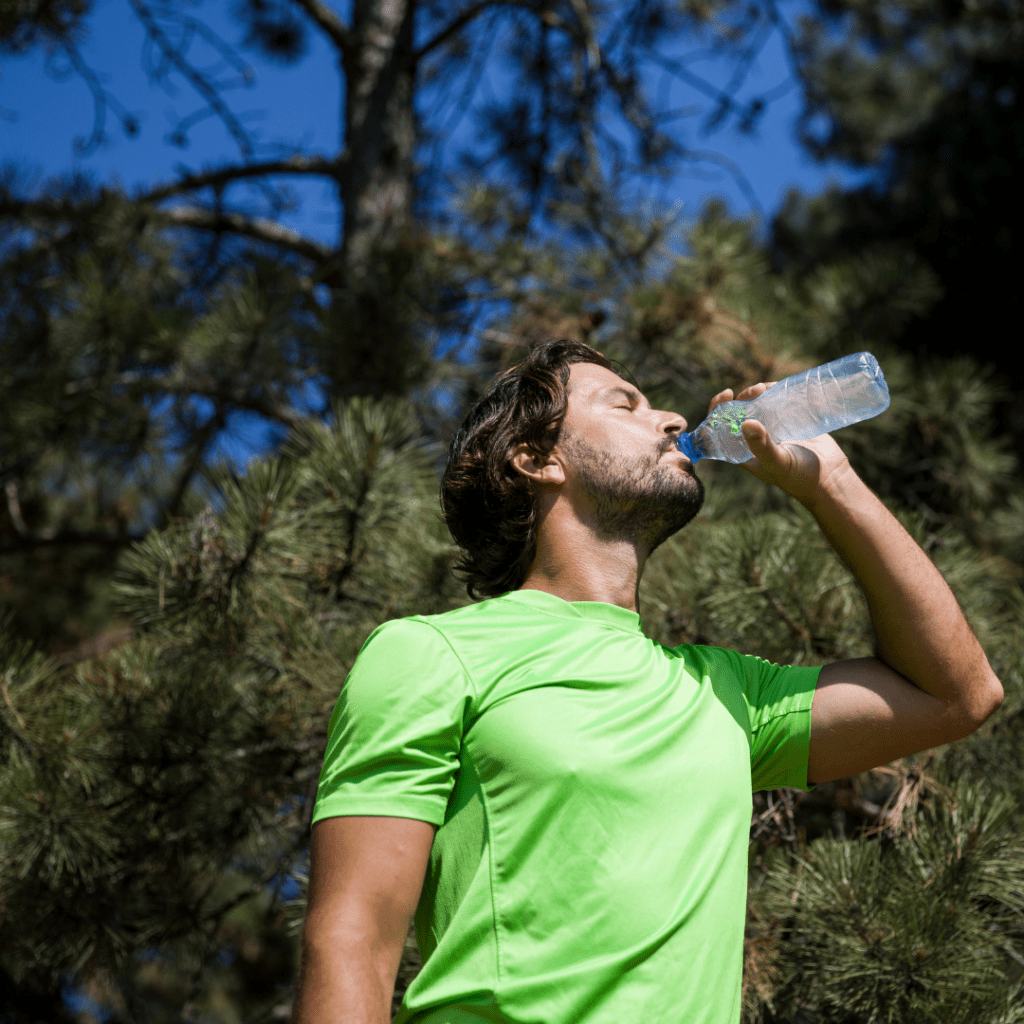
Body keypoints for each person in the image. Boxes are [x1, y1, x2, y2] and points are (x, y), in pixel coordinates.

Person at [292, 339, 1002, 1024]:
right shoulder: (432, 652)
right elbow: (351, 938)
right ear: (536, 458)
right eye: (625, 405)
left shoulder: (727, 694)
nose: (670, 419)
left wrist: (833, 485)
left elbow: (958, 695)